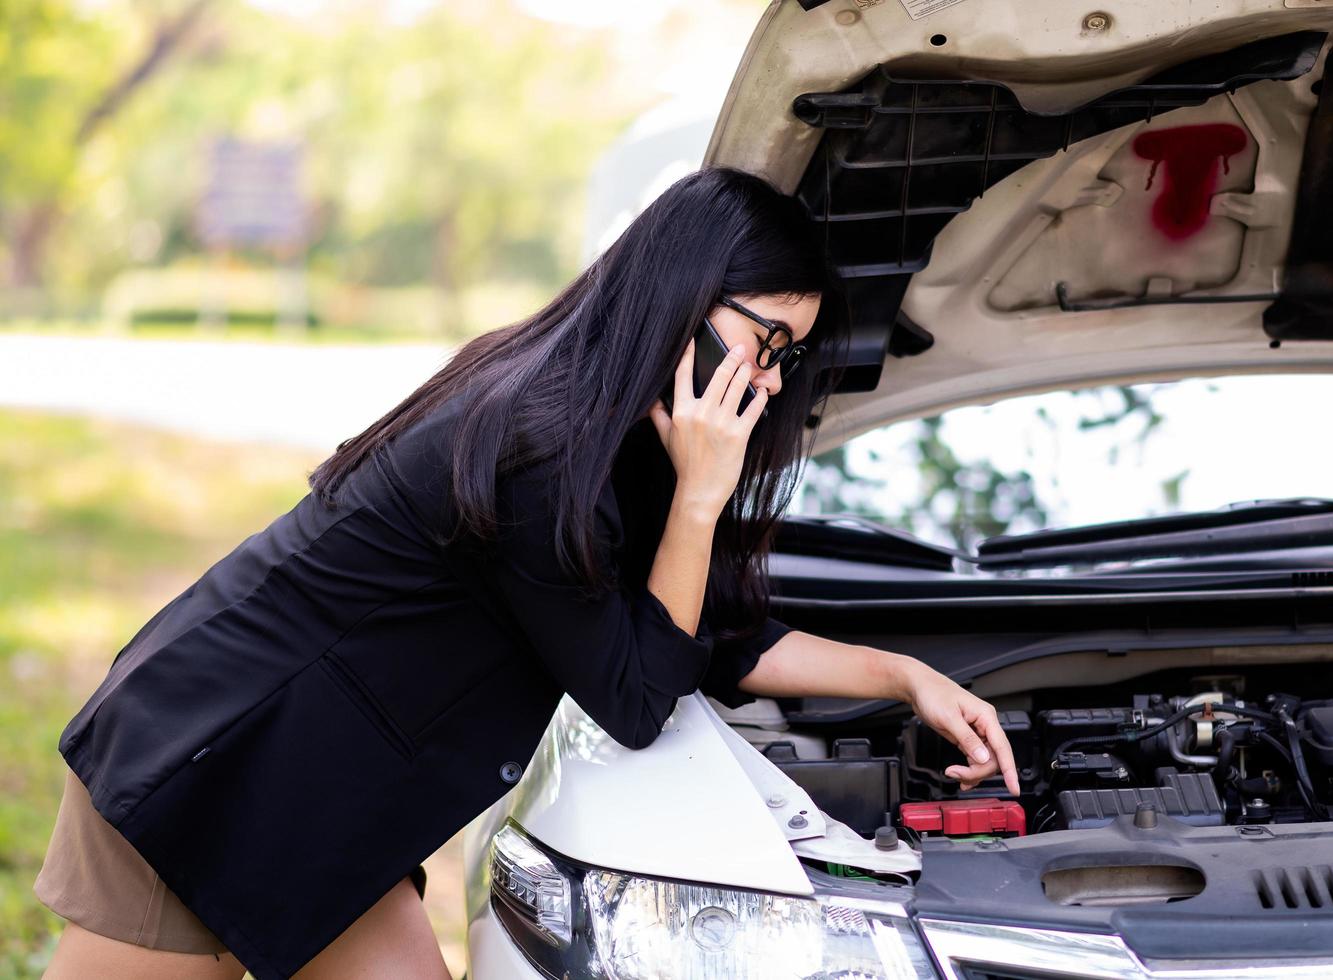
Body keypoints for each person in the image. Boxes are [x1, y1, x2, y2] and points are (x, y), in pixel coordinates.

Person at [34, 167, 1019, 979]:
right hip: (212, 757)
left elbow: (711, 631)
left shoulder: (615, 436)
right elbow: (639, 693)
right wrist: (698, 499)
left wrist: (903, 674)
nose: (765, 384)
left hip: (323, 798)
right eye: (761, 342)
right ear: (682, 289)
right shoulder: (537, 447)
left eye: (786, 359)